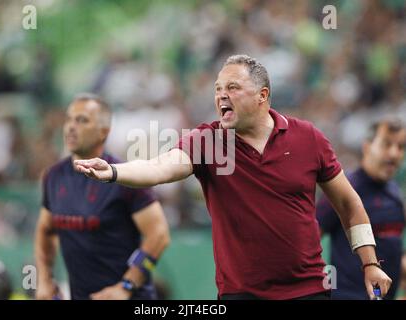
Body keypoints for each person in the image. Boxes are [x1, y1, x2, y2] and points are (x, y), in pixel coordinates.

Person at [74, 54, 392, 300]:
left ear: (262, 96)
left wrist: (370, 263)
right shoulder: (209, 140)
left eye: (232, 88)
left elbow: (349, 203)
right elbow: (161, 167)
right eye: (217, 89)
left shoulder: (307, 137)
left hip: (308, 289)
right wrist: (115, 171)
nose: (221, 96)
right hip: (241, 294)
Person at [34, 93, 170, 300]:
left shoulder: (125, 176)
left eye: (82, 120)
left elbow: (159, 235)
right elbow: (45, 230)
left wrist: (126, 286)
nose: (71, 126)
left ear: (103, 132)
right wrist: (44, 279)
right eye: (69, 119)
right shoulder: (53, 176)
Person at [317, 119, 406, 299]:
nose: (394, 153)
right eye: (386, 144)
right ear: (367, 147)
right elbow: (311, 237)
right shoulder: (345, 189)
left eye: (401, 147)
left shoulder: (395, 193)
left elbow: (393, 246)